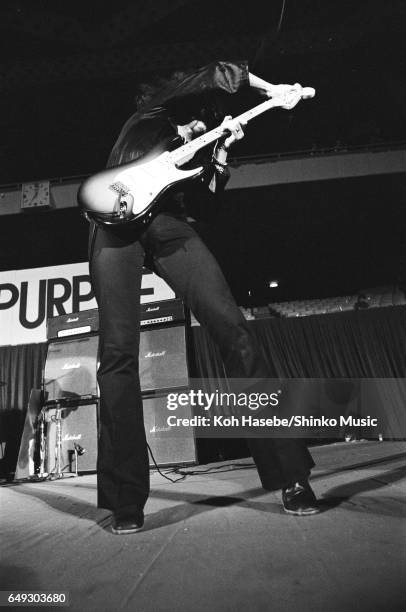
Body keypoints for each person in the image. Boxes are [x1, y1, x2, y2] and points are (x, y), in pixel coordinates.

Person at [88, 60, 319, 535]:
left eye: (207, 124)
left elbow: (207, 207)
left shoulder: (198, 150)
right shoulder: (155, 111)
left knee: (232, 328)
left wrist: (219, 156)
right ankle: (125, 499)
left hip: (166, 223)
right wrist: (273, 89)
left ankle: (291, 476)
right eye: (199, 118)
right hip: (114, 217)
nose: (200, 125)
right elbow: (218, 71)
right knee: (117, 353)